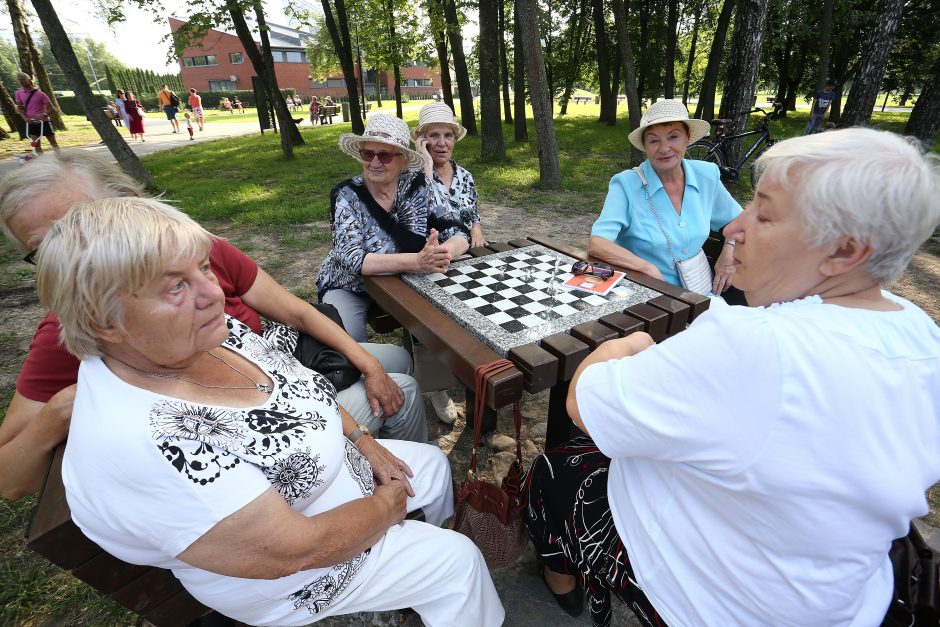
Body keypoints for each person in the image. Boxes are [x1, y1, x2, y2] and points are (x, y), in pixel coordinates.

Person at [524, 128, 940, 626]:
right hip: (847, 597)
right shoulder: (920, 332)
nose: (735, 228)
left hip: (714, 600)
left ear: (844, 251)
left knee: (551, 471)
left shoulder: (756, 342)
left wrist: (627, 344)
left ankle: (563, 584)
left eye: (763, 213)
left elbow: (584, 404)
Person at [34, 197, 504, 627]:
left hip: (336, 473)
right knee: (457, 562)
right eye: (176, 286)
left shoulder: (206, 336)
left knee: (435, 469)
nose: (213, 294)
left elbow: (305, 391)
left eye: (203, 268)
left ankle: (418, 564)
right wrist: (384, 509)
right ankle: (432, 576)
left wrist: (364, 443)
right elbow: (293, 552)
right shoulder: (148, 441)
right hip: (295, 575)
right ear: (103, 321)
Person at [0, 152, 429, 500]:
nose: (77, 250)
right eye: (47, 248)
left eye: (87, 220)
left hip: (282, 366)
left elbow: (296, 312)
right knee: (403, 389)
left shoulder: (197, 251)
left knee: (394, 361)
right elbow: (10, 479)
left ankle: (391, 461)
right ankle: (405, 489)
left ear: (129, 204)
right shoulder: (84, 324)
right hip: (264, 420)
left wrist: (369, 369)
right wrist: (69, 406)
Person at [317, 114, 469, 424]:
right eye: (367, 153)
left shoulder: (418, 187)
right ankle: (363, 411)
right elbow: (353, 259)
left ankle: (435, 388)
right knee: (348, 351)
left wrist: (441, 253)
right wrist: (418, 261)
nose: (374, 162)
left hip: (407, 281)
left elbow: (459, 231)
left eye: (384, 154)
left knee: (440, 322)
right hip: (351, 285)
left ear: (401, 160)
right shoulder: (347, 194)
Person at [589, 99, 740, 297]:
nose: (664, 148)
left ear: (688, 138)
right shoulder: (625, 184)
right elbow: (598, 243)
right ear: (644, 146)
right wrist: (646, 268)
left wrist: (727, 252)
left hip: (701, 292)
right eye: (654, 140)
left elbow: (738, 220)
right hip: (648, 295)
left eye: (673, 137)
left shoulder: (706, 175)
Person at [412, 102, 486, 248]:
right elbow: (418, 220)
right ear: (422, 141)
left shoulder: (465, 177)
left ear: (455, 140)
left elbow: (472, 215)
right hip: (432, 256)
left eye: (448, 135)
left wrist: (477, 228)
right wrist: (427, 166)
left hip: (469, 252)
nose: (442, 143)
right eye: (434, 135)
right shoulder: (412, 178)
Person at [14, 72, 59, 153]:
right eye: (19, 80)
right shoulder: (18, 93)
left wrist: (44, 114)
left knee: (53, 143)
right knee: (36, 146)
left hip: (43, 122)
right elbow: (19, 109)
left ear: (28, 80)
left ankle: (60, 160)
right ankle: (42, 164)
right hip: (32, 122)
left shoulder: (40, 94)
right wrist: (25, 118)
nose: (21, 82)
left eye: (23, 80)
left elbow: (53, 109)